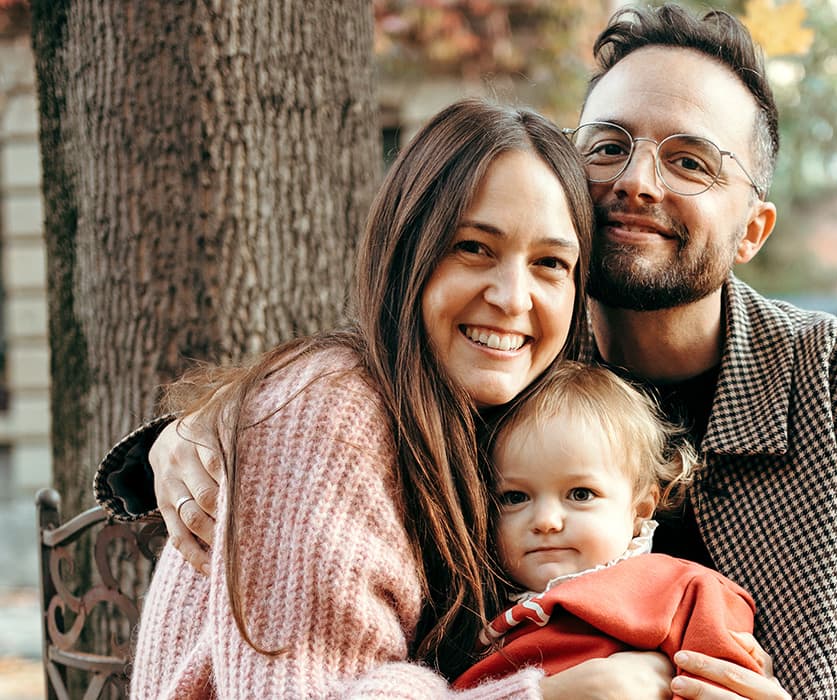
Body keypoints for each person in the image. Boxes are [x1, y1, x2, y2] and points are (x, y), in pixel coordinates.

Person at [99, 4, 837, 698]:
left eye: (691, 161)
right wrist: (188, 439)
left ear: (753, 230)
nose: (637, 182)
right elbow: (352, 389)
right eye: (609, 145)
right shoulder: (505, 354)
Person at [115, 97, 761, 700]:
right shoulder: (327, 411)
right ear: (408, 255)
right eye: (473, 248)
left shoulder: (494, 423)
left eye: (550, 264)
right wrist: (556, 692)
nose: (512, 297)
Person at [453, 361, 763, 690]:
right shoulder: (477, 610)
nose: (545, 520)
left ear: (640, 509)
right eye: (515, 497)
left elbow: (724, 684)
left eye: (581, 494)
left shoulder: (677, 589)